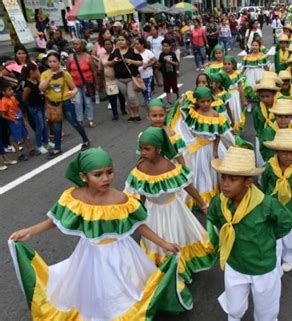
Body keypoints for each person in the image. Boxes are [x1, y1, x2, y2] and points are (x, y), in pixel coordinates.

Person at [8, 147, 192, 320]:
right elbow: (55, 220)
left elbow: (138, 225)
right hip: (90, 254)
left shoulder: (121, 199)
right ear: (83, 176)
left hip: (121, 254)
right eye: (98, 175)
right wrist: (30, 231)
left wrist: (164, 244)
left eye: (109, 172)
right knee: (94, 290)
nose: (106, 178)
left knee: (121, 290)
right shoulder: (75, 197)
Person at [207, 146, 292, 321]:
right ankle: (234, 316)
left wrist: (269, 237)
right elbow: (214, 218)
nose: (225, 183)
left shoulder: (266, 204)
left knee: (266, 310)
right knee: (235, 306)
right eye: (223, 177)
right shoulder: (219, 202)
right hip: (235, 263)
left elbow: (286, 221)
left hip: (263, 267)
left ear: (248, 182)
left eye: (233, 179)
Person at [125, 126, 215, 283]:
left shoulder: (169, 167)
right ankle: (162, 269)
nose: (143, 152)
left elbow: (188, 186)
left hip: (173, 211)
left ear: (159, 149)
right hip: (152, 213)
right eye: (141, 148)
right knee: (156, 242)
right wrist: (141, 211)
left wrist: (202, 204)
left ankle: (178, 270)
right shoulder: (140, 166)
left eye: (147, 149)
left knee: (176, 237)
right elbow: (142, 193)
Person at [261, 128, 292, 273]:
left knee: (289, 238)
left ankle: (289, 257)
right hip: (272, 210)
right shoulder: (269, 167)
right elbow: (264, 184)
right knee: (274, 240)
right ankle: (275, 267)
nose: (289, 156)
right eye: (284, 152)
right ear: (276, 151)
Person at [180, 87, 234, 209]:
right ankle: (205, 196)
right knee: (201, 171)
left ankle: (219, 192)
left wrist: (215, 149)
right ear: (197, 102)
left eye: (208, 101)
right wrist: (182, 102)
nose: (205, 104)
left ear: (211, 100)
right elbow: (185, 118)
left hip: (212, 148)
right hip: (199, 149)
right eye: (202, 101)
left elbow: (218, 134)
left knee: (214, 170)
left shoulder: (215, 115)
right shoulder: (195, 114)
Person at [108, 33, 143, 122]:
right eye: (118, 40)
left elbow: (141, 62)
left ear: (127, 41)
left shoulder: (133, 50)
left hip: (131, 78)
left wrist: (131, 61)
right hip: (120, 79)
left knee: (132, 96)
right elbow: (109, 63)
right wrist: (113, 61)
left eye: (122, 40)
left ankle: (137, 114)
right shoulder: (115, 52)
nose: (120, 42)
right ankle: (131, 115)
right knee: (126, 97)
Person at [145, 98, 186, 165]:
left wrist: (184, 172)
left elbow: (179, 156)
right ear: (148, 116)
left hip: (170, 169)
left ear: (165, 115)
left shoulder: (171, 133)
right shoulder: (146, 135)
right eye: (154, 116)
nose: (158, 119)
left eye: (161, 115)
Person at [67, 39, 97, 128]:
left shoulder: (88, 57)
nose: (75, 46)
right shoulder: (70, 57)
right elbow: (68, 71)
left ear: (82, 46)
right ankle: (79, 120)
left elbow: (94, 71)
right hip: (75, 84)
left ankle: (90, 119)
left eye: (77, 44)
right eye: (73, 44)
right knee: (78, 102)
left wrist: (96, 83)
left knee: (88, 102)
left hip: (87, 83)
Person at [21, 64, 50, 155]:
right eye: (37, 70)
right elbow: (24, 98)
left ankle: (46, 141)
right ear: (31, 72)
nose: (38, 72)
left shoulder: (37, 80)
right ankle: (39, 145)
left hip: (40, 105)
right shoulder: (28, 85)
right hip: (34, 107)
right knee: (39, 126)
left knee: (44, 124)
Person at [0, 84, 34, 160]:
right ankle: (19, 155)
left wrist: (23, 119)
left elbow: (17, 108)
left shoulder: (13, 97)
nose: (12, 91)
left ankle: (30, 149)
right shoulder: (3, 101)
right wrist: (13, 120)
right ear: (3, 92)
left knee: (25, 135)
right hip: (13, 121)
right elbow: (3, 115)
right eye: (9, 90)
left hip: (20, 119)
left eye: (11, 89)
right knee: (15, 139)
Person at [253, 78, 280, 167]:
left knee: (275, 159)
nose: (265, 99)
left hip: (276, 137)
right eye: (262, 97)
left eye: (267, 96)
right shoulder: (257, 110)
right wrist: (261, 135)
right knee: (262, 159)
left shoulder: (279, 108)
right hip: (261, 137)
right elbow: (256, 124)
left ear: (274, 95)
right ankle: (262, 178)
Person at [99, 38, 127, 121]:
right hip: (109, 81)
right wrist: (101, 82)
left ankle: (123, 109)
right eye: (106, 44)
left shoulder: (117, 54)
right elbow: (100, 69)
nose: (108, 46)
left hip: (119, 79)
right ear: (103, 46)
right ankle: (115, 114)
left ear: (113, 45)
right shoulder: (102, 56)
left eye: (109, 44)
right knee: (112, 98)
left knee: (121, 96)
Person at [222, 55, 248, 132]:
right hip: (225, 96)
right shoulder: (221, 74)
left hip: (234, 96)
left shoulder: (237, 74)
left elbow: (240, 88)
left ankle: (236, 129)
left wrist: (244, 100)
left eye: (229, 64)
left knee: (235, 111)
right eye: (225, 64)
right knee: (227, 112)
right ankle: (229, 129)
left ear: (233, 64)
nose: (226, 66)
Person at [158, 39, 180, 108]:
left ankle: (178, 96)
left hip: (172, 73)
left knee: (174, 87)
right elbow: (159, 64)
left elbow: (177, 63)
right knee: (167, 88)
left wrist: (169, 61)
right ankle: (169, 102)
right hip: (165, 74)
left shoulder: (172, 54)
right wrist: (156, 64)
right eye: (163, 46)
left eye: (166, 46)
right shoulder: (161, 54)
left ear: (170, 47)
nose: (165, 47)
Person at [134, 37, 156, 104]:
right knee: (143, 90)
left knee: (148, 90)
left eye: (138, 44)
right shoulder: (134, 53)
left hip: (148, 74)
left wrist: (147, 65)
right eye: (135, 44)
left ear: (142, 44)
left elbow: (154, 60)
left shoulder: (148, 52)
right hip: (139, 76)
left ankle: (150, 105)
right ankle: (146, 100)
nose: (136, 45)